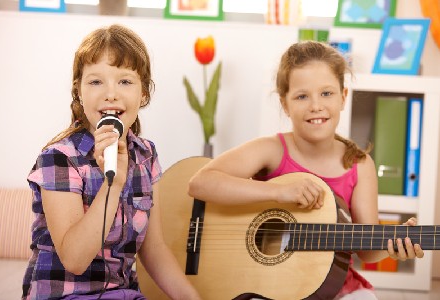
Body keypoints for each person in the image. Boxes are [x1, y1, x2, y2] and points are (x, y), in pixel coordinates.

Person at [188, 40, 424, 300]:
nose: (316, 106)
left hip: (333, 287)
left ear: (343, 97)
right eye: (302, 96)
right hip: (267, 285)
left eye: (326, 93)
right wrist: (279, 193)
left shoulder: (359, 165)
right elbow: (200, 183)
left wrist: (394, 247)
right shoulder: (272, 150)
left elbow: (367, 251)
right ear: (285, 103)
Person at [22, 24, 201, 300]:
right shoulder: (58, 159)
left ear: (143, 94)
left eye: (125, 81)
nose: (111, 94)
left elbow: (153, 251)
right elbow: (75, 260)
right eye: (95, 82)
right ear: (79, 93)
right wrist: (112, 185)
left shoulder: (146, 156)